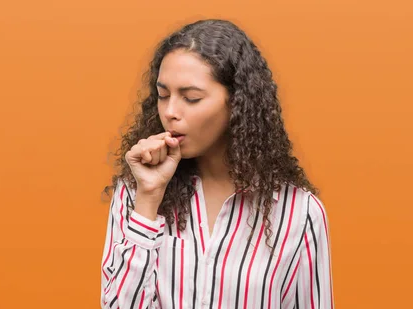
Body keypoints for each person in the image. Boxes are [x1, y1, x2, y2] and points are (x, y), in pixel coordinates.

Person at [100, 19, 334, 309]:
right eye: (163, 96)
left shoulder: (298, 213)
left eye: (191, 98)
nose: (170, 112)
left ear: (237, 104)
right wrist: (148, 198)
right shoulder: (135, 195)